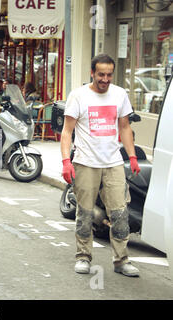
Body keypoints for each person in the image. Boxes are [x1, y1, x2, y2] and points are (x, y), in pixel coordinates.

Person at [60, 54, 141, 277]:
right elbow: (67, 132)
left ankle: (121, 260)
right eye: (101, 74)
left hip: (113, 162)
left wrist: (132, 156)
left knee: (120, 213)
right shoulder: (78, 96)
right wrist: (66, 161)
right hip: (86, 162)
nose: (105, 79)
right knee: (85, 213)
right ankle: (83, 256)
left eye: (109, 75)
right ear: (92, 73)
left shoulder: (120, 94)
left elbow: (124, 127)